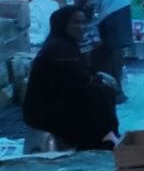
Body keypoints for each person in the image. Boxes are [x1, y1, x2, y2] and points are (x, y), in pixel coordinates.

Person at [28, 0, 134, 99]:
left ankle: (116, 91)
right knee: (103, 49)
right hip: (106, 2)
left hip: (112, 0)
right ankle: (109, 89)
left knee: (112, 48)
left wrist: (78, 9)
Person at [23, 8, 121, 150]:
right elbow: (80, 81)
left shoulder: (64, 44)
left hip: (57, 102)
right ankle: (102, 141)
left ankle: (107, 137)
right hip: (46, 111)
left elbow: (82, 76)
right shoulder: (60, 49)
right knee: (101, 97)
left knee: (102, 94)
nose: (81, 27)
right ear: (62, 25)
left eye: (83, 23)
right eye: (75, 23)